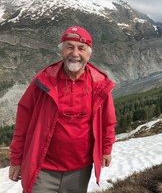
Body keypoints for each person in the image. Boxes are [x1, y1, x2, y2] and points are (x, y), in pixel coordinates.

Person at [8, 26, 117, 193]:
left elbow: (108, 121)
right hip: (42, 168)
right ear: (61, 51)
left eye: (81, 48)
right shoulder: (43, 81)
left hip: (80, 170)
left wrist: (106, 149)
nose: (75, 54)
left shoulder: (99, 84)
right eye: (69, 47)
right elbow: (23, 120)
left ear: (89, 53)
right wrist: (16, 159)